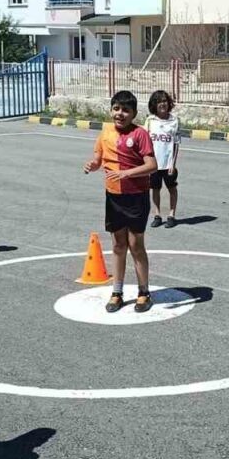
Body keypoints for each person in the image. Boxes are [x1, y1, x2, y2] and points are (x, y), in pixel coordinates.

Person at [83, 90, 158, 313]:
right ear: (111, 110)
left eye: (125, 110)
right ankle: (117, 291)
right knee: (118, 245)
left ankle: (144, 292)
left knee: (136, 245)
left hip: (136, 196)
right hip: (113, 197)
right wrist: (92, 166)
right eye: (116, 108)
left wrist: (127, 174)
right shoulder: (105, 133)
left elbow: (152, 165)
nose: (120, 113)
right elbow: (98, 160)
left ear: (134, 113)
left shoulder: (140, 134)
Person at [146, 90, 181, 229]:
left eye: (165, 101)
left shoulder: (174, 121)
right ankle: (157, 215)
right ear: (154, 104)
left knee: (172, 188)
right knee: (155, 189)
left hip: (168, 164)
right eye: (159, 101)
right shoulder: (150, 120)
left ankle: (171, 215)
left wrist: (173, 163)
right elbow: (145, 142)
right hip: (153, 163)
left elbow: (176, 143)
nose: (163, 104)